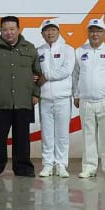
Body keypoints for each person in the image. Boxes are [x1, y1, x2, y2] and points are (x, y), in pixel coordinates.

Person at [0, 15, 43, 177]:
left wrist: (35, 93)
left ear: (19, 30)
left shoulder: (30, 48)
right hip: (0, 100)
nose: (9, 33)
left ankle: (23, 169)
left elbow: (38, 73)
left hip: (23, 100)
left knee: (22, 139)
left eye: (12, 29)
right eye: (5, 30)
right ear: (0, 30)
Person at [74, 19, 105, 179]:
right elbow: (76, 75)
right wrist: (76, 94)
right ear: (88, 33)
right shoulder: (80, 51)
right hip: (86, 100)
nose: (95, 34)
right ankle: (89, 167)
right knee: (88, 135)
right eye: (92, 31)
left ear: (104, 33)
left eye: (99, 31)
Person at [36, 19, 76, 177]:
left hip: (63, 98)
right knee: (46, 133)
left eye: (53, 30)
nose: (50, 33)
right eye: (46, 30)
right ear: (42, 34)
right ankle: (47, 164)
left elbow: (66, 70)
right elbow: (35, 73)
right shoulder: (38, 51)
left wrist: (46, 76)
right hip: (44, 98)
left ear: (58, 32)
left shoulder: (68, 49)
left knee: (62, 134)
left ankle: (61, 164)